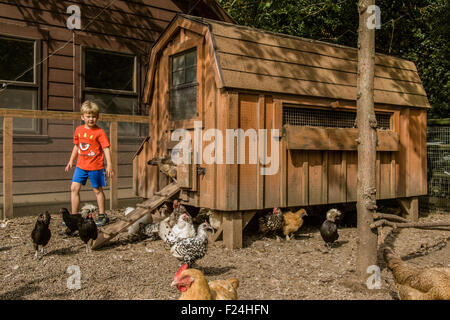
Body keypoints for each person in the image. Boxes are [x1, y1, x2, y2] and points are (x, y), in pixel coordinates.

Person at [65, 100, 113, 226]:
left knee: (97, 190)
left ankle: (102, 216)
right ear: (82, 117)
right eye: (88, 116)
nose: (91, 119)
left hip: (96, 166)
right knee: (74, 188)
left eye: (93, 117)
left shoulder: (100, 132)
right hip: (81, 166)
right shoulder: (79, 130)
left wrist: (109, 164)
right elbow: (77, 146)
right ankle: (74, 217)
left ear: (97, 118)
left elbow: (106, 148)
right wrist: (71, 160)